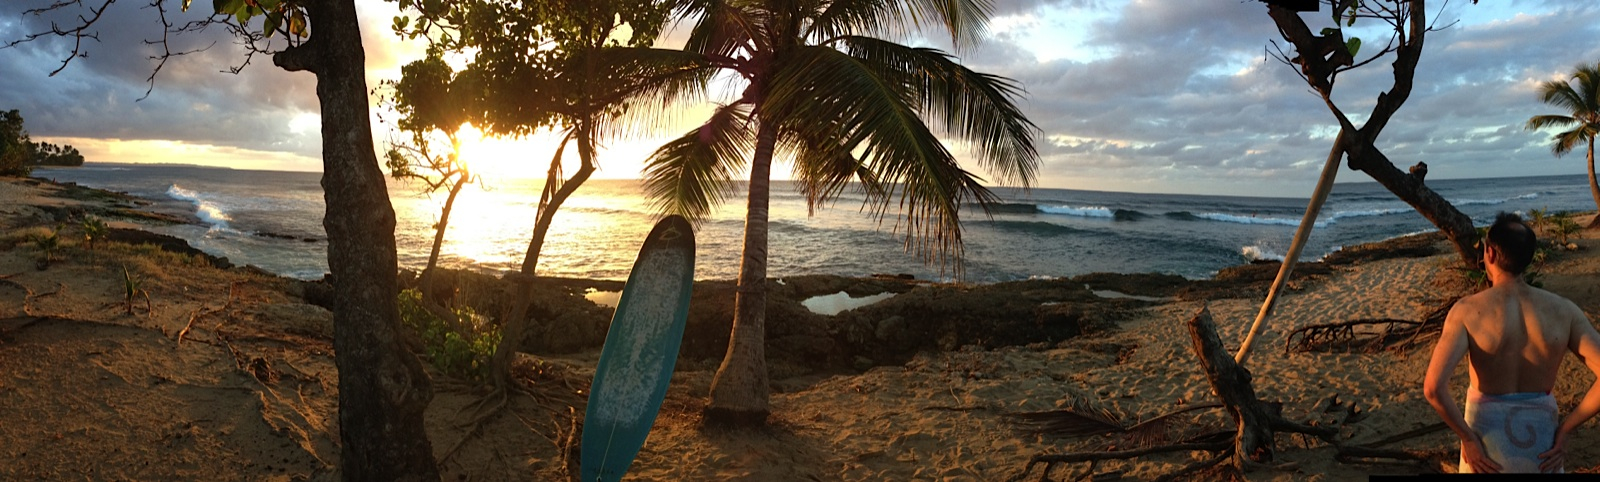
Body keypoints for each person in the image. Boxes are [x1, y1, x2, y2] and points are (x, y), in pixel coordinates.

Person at [1424, 212, 1600, 473]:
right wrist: (1567, 429)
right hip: (1542, 448)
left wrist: (1468, 439)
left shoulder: (1467, 312)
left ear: (1490, 255)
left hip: (1485, 451)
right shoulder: (1564, 311)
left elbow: (1433, 389)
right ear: (1528, 257)